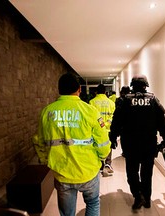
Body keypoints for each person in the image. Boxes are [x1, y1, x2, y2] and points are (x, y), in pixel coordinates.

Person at [37, 73, 111, 216]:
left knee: (67, 213)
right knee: (93, 203)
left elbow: (40, 141)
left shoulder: (47, 112)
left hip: (62, 172)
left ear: (59, 89)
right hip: (88, 171)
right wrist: (102, 157)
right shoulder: (90, 111)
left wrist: (47, 160)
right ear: (79, 89)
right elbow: (102, 141)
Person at [109, 74, 165, 211]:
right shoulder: (153, 100)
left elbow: (116, 122)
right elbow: (162, 123)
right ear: (145, 86)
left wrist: (113, 138)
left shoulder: (125, 101)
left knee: (132, 172)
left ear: (132, 86)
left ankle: (138, 196)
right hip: (149, 145)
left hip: (130, 145)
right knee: (147, 173)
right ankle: (147, 198)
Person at [89, 84, 115, 177]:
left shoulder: (92, 102)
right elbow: (113, 116)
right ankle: (108, 164)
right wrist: (106, 124)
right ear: (105, 92)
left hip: (96, 130)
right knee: (107, 146)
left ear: (96, 92)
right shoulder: (111, 103)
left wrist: (100, 125)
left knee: (96, 145)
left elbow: (91, 116)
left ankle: (100, 165)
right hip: (108, 129)